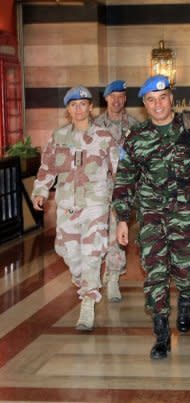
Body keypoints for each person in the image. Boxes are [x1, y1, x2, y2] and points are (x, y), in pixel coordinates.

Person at [112, 75, 190, 359]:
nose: (157, 104)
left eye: (162, 98)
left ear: (171, 99)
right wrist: (123, 217)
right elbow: (124, 178)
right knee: (155, 272)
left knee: (189, 272)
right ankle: (161, 332)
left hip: (186, 212)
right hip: (151, 215)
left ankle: (186, 298)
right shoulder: (136, 137)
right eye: (150, 100)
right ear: (145, 105)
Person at [32, 85, 118, 331]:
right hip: (68, 204)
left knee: (92, 253)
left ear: (90, 107)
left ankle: (88, 302)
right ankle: (86, 284)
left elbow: (119, 171)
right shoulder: (58, 137)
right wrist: (40, 191)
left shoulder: (104, 137)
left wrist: (119, 203)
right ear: (68, 109)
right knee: (68, 252)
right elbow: (47, 168)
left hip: (96, 204)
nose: (78, 109)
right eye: (73, 105)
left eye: (83, 104)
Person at [94, 79, 139, 302]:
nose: (117, 100)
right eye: (113, 96)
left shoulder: (134, 124)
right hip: (98, 188)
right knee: (98, 232)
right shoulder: (95, 125)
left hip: (123, 187)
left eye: (121, 96)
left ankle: (113, 277)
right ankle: (103, 270)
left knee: (116, 231)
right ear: (106, 98)